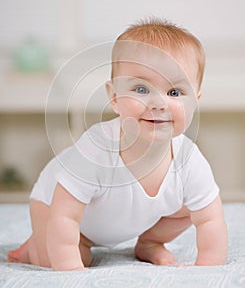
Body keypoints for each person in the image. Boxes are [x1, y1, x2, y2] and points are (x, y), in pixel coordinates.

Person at [8, 18, 228, 271]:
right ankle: (34, 247)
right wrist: (71, 272)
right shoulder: (97, 148)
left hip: (117, 218)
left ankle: (149, 243)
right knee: (72, 256)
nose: (159, 103)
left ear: (195, 100)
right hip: (55, 206)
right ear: (113, 97)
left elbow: (210, 218)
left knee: (190, 209)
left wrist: (207, 268)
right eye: (141, 89)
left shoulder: (189, 158)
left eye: (175, 93)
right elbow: (64, 214)